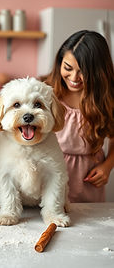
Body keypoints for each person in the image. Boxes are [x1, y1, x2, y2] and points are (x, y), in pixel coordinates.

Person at [43, 30, 114, 202]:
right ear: (60, 62)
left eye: (83, 72)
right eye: (68, 68)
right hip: (49, 173)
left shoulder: (107, 98)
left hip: (87, 180)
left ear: (99, 72)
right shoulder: (46, 91)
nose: (74, 78)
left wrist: (107, 166)